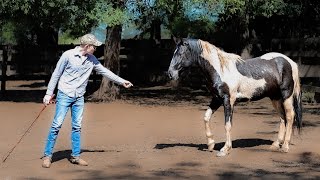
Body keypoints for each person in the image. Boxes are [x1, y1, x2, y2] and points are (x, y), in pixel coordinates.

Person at [42, 34, 133, 168]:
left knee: (77, 126)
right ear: (87, 46)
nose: (96, 49)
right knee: (57, 125)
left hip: (79, 96)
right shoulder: (68, 55)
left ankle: (75, 156)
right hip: (64, 94)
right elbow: (56, 74)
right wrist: (48, 94)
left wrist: (122, 81)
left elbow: (105, 71)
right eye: (94, 47)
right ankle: (47, 156)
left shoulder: (92, 59)